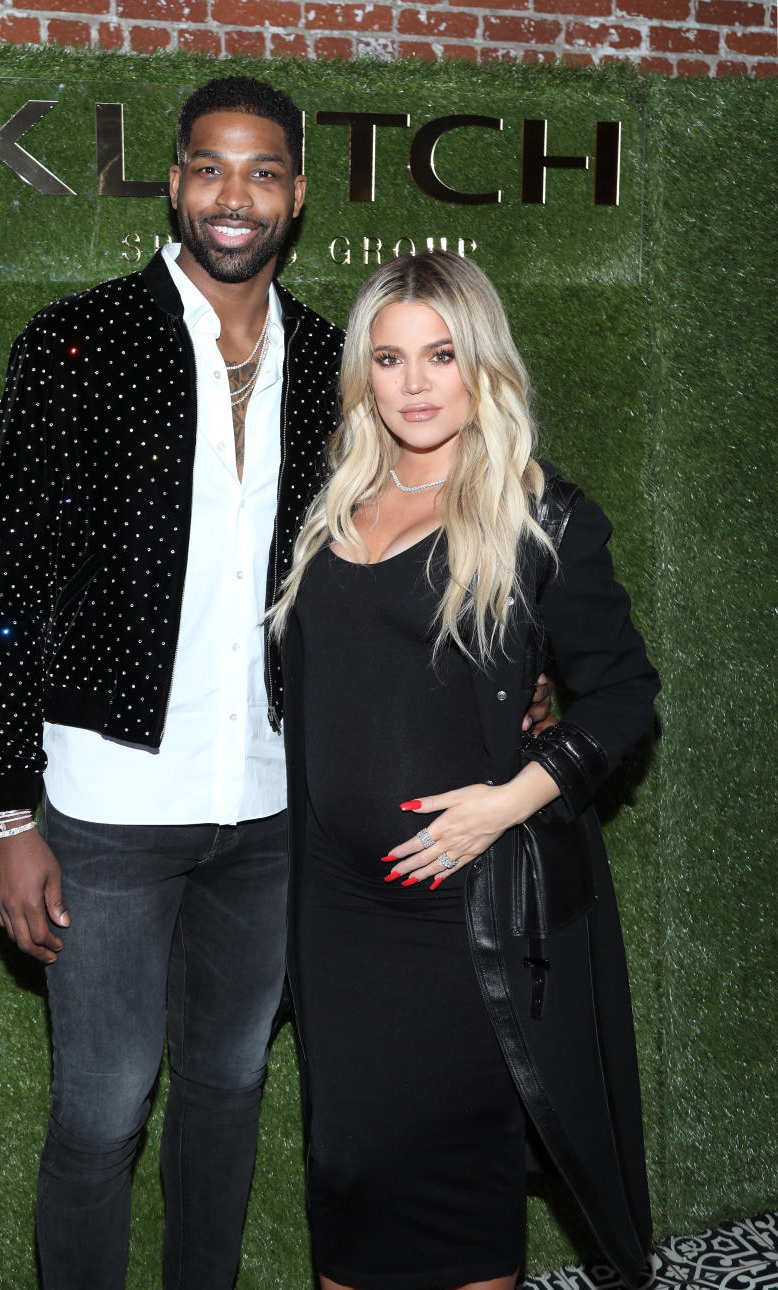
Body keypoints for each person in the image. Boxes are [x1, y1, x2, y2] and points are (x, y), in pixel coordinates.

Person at [0, 78, 551, 1289]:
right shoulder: (78, 345)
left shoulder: (339, 365)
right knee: (104, 1111)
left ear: (294, 198)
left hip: (278, 811)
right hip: (109, 809)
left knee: (228, 1091)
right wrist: (7, 813)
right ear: (175, 183)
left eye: (265, 172)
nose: (238, 195)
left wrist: (518, 666)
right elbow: (3, 591)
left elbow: (410, 545)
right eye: (213, 169)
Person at [271, 250, 660, 1290]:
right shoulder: (324, 508)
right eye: (389, 358)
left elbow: (625, 695)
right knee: (345, 1168)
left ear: (480, 364)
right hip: (335, 917)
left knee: (458, 1178)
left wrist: (507, 803)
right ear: (364, 375)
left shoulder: (541, 518)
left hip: (463, 916)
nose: (414, 383)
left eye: (441, 355)